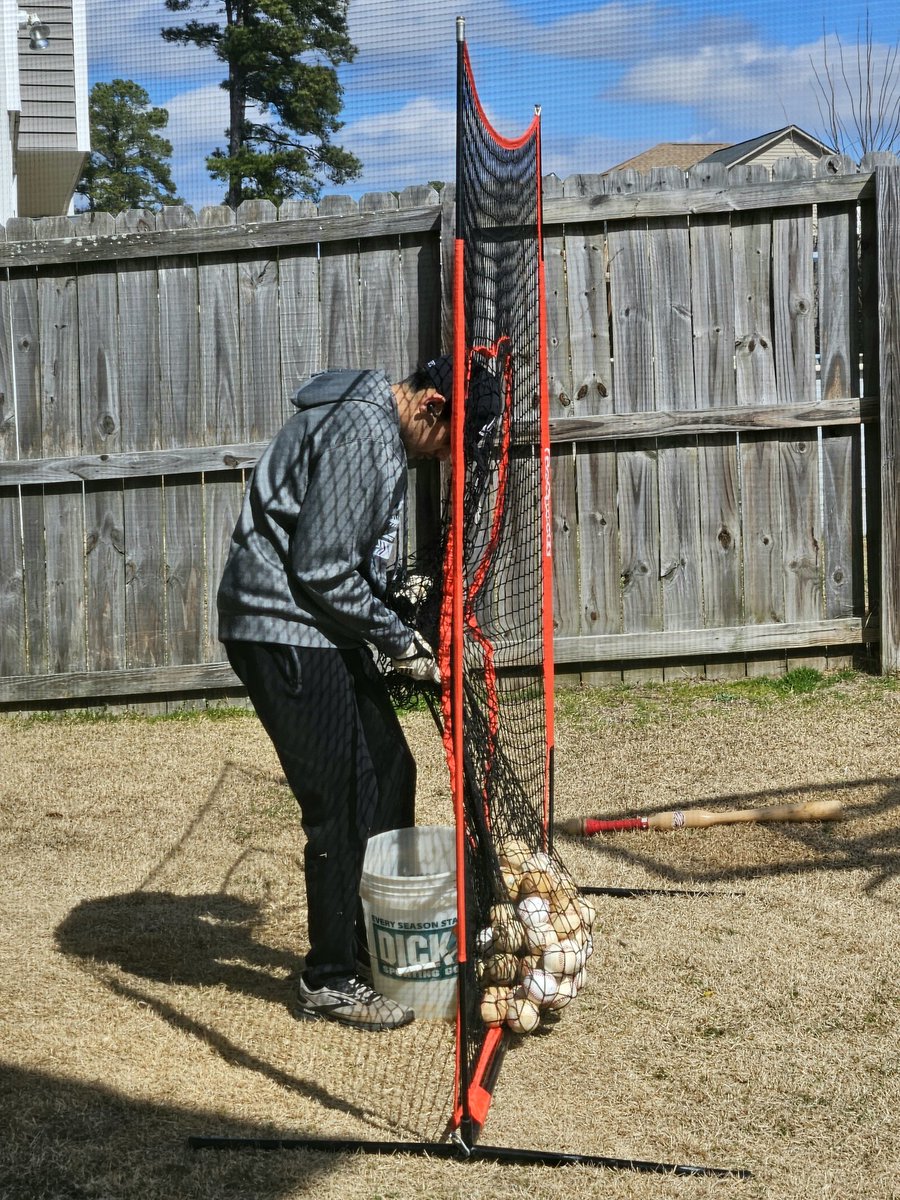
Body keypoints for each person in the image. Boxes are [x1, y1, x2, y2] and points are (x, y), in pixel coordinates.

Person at [217, 360, 454, 1032]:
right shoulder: (363, 432)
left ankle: (372, 942)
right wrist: (398, 640)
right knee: (340, 801)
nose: (444, 457)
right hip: (284, 626)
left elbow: (349, 558)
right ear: (431, 405)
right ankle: (329, 981)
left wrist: (398, 616)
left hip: (323, 627)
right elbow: (320, 565)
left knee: (388, 768)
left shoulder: (376, 426)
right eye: (449, 441)